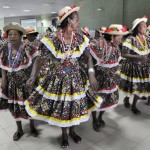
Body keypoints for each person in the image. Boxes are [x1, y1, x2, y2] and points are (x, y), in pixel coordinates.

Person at [24, 6, 103, 148]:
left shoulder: (80, 38)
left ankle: (72, 132)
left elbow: (88, 58)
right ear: (69, 22)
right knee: (62, 110)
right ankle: (65, 135)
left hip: (76, 80)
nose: (79, 22)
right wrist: (32, 76)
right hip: (58, 81)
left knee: (74, 108)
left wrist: (91, 74)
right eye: (77, 20)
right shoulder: (52, 39)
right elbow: (39, 60)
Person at [0, 22, 39, 141]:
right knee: (14, 107)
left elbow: (38, 60)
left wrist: (33, 76)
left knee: (29, 105)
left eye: (15, 34)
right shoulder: (5, 48)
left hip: (27, 84)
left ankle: (32, 127)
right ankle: (19, 129)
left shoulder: (28, 47)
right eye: (10, 34)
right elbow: (2, 65)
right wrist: (4, 79)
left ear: (21, 35)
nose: (12, 37)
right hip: (12, 84)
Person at [90, 24, 129, 131]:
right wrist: (93, 76)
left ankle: (100, 117)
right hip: (99, 78)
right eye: (119, 38)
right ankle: (94, 119)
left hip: (110, 79)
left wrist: (118, 74)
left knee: (107, 99)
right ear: (112, 36)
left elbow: (116, 63)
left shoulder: (116, 48)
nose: (121, 41)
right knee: (96, 100)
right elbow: (91, 63)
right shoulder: (99, 45)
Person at [119, 16, 150, 114]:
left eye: (146, 26)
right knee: (131, 85)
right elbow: (123, 54)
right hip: (132, 66)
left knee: (140, 87)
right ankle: (127, 100)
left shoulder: (147, 38)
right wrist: (138, 57)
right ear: (138, 28)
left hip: (144, 67)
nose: (146, 27)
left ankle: (133, 105)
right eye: (143, 26)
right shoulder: (131, 39)